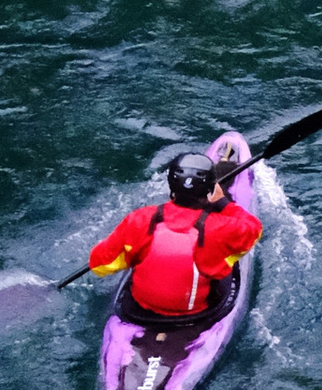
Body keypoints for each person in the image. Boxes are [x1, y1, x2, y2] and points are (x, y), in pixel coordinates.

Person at [88, 133, 264, 321]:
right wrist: (222, 203)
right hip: (196, 313)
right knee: (225, 266)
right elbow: (254, 230)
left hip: (140, 310)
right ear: (210, 191)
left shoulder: (140, 219)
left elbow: (99, 265)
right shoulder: (221, 228)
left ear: (171, 187)